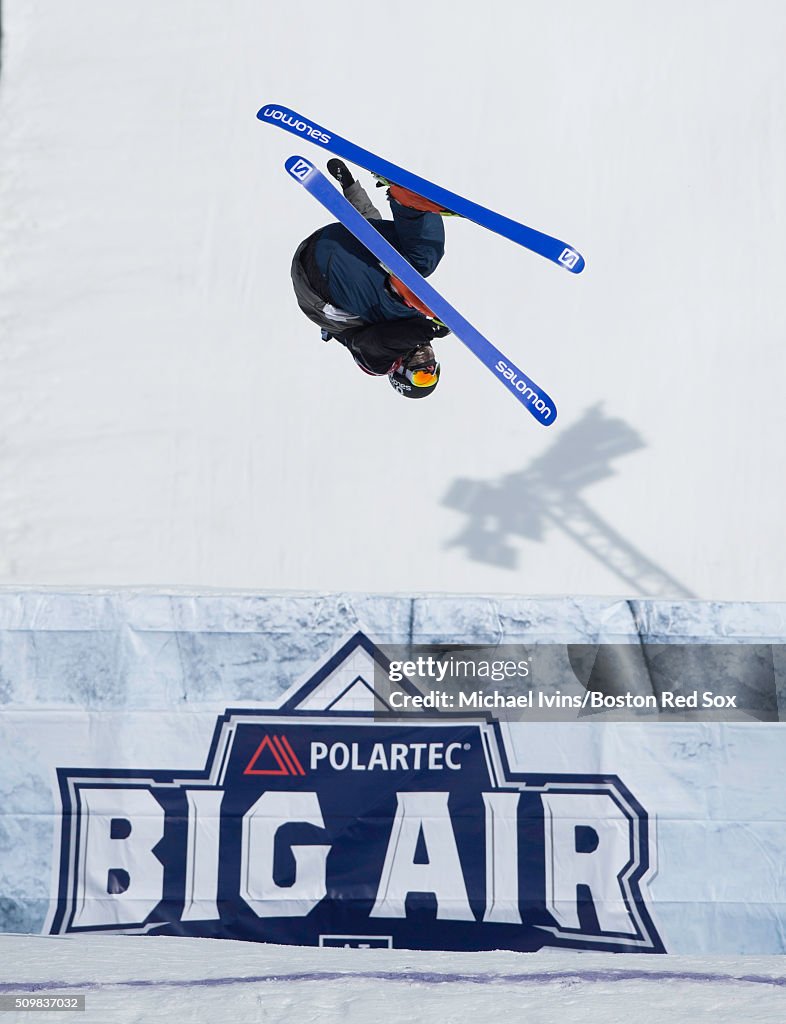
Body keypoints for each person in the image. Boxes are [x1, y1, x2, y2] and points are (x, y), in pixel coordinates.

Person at [290, 159, 451, 399]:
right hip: (338, 251)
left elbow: (379, 342)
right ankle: (409, 203)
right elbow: (371, 234)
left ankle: (412, 211)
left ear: (401, 375)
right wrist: (350, 186)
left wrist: (429, 329)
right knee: (422, 257)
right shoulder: (407, 312)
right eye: (434, 370)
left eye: (422, 376)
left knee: (405, 296)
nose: (427, 366)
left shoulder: (375, 363)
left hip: (320, 280)